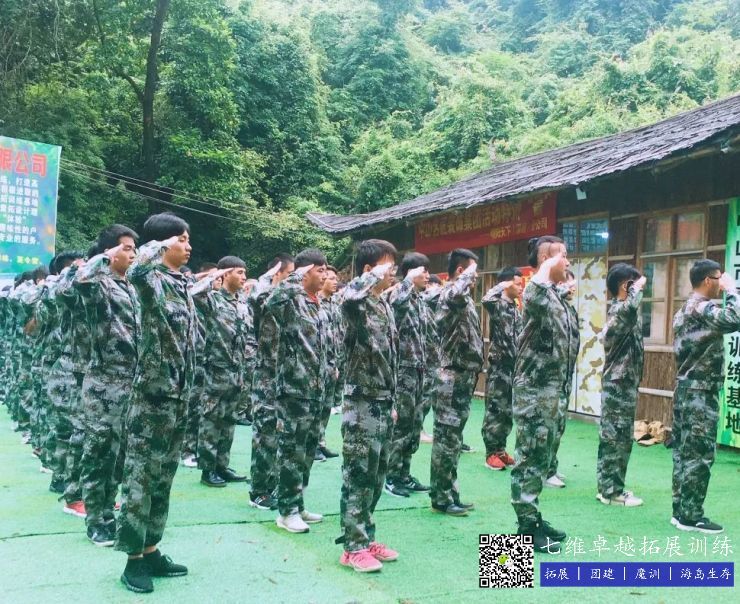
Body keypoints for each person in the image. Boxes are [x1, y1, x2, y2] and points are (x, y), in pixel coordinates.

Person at [115, 213, 196, 594]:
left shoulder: (181, 282)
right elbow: (135, 271)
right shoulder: (150, 279)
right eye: (181, 239)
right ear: (162, 245)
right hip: (152, 397)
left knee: (163, 477)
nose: (188, 246)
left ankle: (151, 549)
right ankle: (132, 559)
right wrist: (157, 245)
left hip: (178, 396)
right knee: (141, 479)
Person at [75, 225, 141, 546]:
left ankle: (108, 512)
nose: (133, 254)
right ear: (110, 251)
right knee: (99, 454)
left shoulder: (131, 286)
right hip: (104, 384)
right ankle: (95, 520)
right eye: (126, 248)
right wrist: (103, 257)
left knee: (120, 455)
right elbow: (80, 280)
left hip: (131, 382)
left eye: (134, 249)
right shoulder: (98, 283)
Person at [338, 239, 400, 573]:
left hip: (382, 400)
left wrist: (393, 400)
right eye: (388, 267)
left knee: (376, 475)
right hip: (361, 401)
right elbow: (347, 295)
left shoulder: (382, 305)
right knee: (358, 475)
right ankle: (353, 546)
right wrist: (370, 277)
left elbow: (390, 358)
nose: (393, 273)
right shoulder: (356, 304)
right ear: (368, 270)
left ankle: (366, 535)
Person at [510, 236, 571, 553]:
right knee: (530, 460)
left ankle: (533, 518)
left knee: (541, 460)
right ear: (547, 260)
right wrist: (547, 267)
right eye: (563, 256)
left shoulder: (555, 296)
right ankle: (525, 529)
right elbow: (533, 292)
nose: (568, 262)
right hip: (534, 394)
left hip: (551, 392)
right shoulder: (537, 291)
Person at [672, 260, 740, 534]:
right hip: (699, 392)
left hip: (688, 389)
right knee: (699, 454)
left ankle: (681, 511)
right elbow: (735, 318)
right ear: (708, 281)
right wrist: (732, 290)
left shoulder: (686, 308)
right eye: (718, 278)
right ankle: (690, 515)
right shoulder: (701, 307)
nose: (721, 282)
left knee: (684, 452)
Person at [268, 249, 328, 533]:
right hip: (294, 390)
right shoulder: (292, 301)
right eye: (319, 270)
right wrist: (294, 278)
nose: (325, 275)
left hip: (316, 390)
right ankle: (287, 510)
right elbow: (270, 300)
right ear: (305, 273)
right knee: (292, 452)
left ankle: (298, 503)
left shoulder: (319, 303)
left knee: (307, 451)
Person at [429, 249, 483, 516]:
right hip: (451, 375)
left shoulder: (464, 299)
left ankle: (450, 492)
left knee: (454, 439)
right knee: (446, 439)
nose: (476, 278)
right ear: (461, 271)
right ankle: (441, 497)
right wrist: (467, 275)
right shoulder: (450, 294)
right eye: (473, 272)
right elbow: (456, 292)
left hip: (463, 376)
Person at [193, 256, 253, 487]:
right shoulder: (213, 299)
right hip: (216, 369)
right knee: (211, 419)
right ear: (225, 274)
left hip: (237, 370)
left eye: (244, 272)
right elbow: (194, 293)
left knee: (229, 420)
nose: (244, 277)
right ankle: (207, 469)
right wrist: (214, 275)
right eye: (239, 272)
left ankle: (221, 465)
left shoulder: (242, 302)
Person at [596, 263, 646, 507]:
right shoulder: (621, 311)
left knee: (617, 438)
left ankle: (608, 487)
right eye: (634, 284)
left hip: (623, 383)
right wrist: (636, 288)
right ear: (625, 286)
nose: (641, 290)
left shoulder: (624, 312)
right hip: (618, 385)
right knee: (616, 438)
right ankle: (611, 492)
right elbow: (631, 306)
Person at [249, 253, 295, 510]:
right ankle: (259, 490)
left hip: (287, 377)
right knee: (265, 433)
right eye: (289, 275)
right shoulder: (265, 302)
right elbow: (255, 297)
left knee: (281, 435)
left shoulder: (290, 304)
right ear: (277, 274)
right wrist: (268, 278)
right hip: (267, 377)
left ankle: (275, 484)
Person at [385, 253, 430, 497]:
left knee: (413, 425)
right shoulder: (398, 295)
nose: (428, 276)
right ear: (411, 273)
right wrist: (407, 281)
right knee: (401, 425)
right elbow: (396, 303)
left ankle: (404, 473)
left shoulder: (419, 300)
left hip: (418, 370)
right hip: (403, 371)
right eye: (423, 271)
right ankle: (392, 476)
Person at [481, 267, 523, 471]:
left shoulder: (515, 309)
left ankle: (500, 449)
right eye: (517, 283)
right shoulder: (497, 304)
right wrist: (501, 285)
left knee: (507, 411)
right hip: (499, 367)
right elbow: (485, 299)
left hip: (513, 367)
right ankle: (490, 453)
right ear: (507, 284)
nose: (520, 287)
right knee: (495, 409)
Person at [545, 269, 580, 488]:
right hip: (550, 377)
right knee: (548, 427)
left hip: (564, 375)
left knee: (558, 425)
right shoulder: (550, 307)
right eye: (568, 283)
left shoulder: (569, 310)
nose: (573, 288)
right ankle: (544, 471)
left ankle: (551, 466)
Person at [182, 262, 218, 467]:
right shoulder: (193, 296)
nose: (215, 281)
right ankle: (187, 451)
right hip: (195, 358)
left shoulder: (215, 300)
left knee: (202, 408)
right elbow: (193, 290)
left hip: (209, 359)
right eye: (211, 278)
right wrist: (203, 277)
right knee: (193, 406)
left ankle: (197, 448)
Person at [316, 265, 341, 461]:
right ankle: (311, 445)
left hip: (332, 362)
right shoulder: (314, 302)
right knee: (316, 406)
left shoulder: (335, 303)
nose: (335, 281)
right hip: (317, 363)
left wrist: (336, 364)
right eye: (331, 278)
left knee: (326, 406)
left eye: (336, 279)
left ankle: (320, 442)